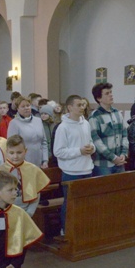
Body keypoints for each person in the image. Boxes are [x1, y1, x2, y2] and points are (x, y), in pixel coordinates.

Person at [53, 95, 95, 241]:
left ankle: (83, 230)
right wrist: (79, 151)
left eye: (83, 105)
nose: (82, 107)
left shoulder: (86, 124)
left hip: (87, 169)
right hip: (71, 172)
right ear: (70, 107)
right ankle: (66, 231)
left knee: (85, 204)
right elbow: (58, 151)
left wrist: (92, 148)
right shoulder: (63, 127)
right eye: (79, 105)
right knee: (70, 204)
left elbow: (90, 142)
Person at [0, 135, 50, 218]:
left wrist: (29, 213)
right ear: (6, 152)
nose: (15, 156)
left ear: (25, 151)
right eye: (11, 153)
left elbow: (36, 193)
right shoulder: (0, 171)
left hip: (26, 212)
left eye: (19, 152)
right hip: (5, 212)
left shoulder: (32, 169)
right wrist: (1, 211)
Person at [89, 82, 128, 175]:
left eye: (111, 92)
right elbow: (96, 141)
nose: (111, 95)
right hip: (103, 164)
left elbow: (124, 134)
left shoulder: (117, 113)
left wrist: (124, 153)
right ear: (99, 98)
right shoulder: (95, 116)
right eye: (107, 93)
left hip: (120, 161)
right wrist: (113, 158)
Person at [7, 97, 49, 168]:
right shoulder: (14, 123)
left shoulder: (38, 120)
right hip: (23, 162)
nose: (26, 108)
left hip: (40, 162)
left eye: (28, 105)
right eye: (23, 106)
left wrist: (45, 160)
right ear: (18, 108)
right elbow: (12, 146)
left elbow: (44, 142)